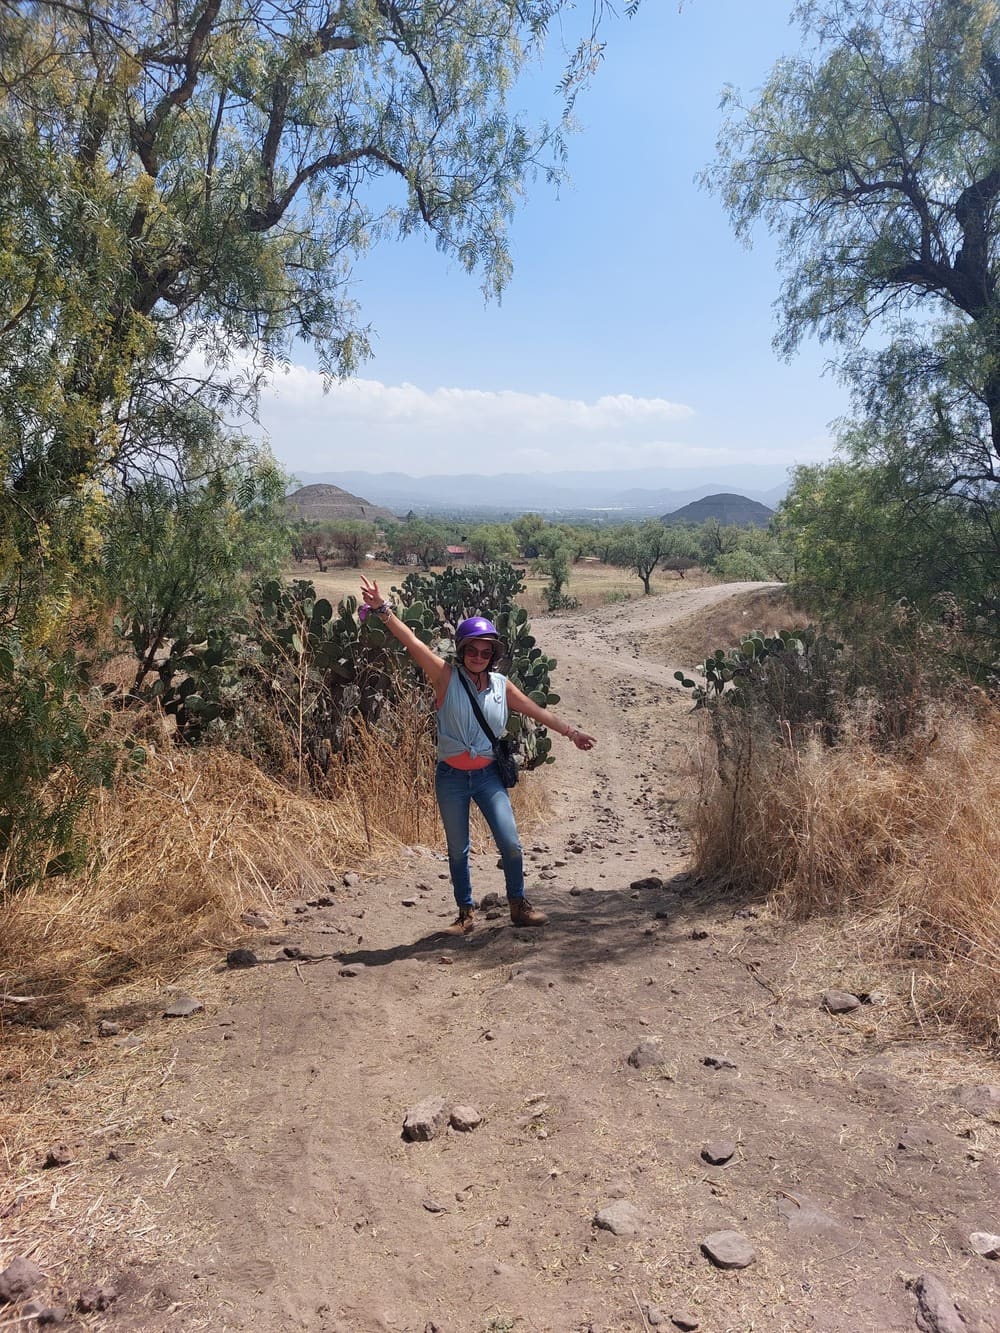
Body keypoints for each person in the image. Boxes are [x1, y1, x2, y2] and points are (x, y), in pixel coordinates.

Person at [359, 576, 596, 934]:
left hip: (488, 776)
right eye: (473, 650)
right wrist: (382, 610)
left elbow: (535, 710)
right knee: (458, 850)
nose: (479, 657)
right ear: (462, 649)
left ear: (494, 655)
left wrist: (571, 733)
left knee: (511, 843)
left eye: (487, 652)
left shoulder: (501, 686)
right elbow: (411, 641)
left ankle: (518, 905)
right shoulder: (444, 676)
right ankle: (465, 914)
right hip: (451, 778)